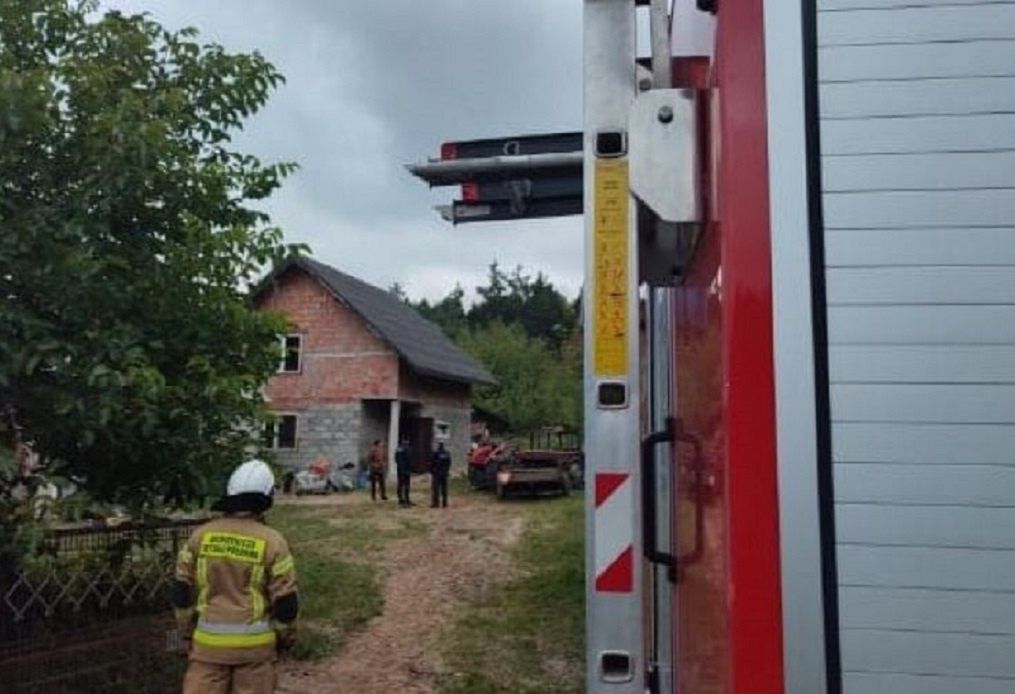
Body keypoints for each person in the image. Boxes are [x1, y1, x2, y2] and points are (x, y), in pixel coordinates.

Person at [171, 459, 298, 694]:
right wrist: (284, 638)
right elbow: (286, 604)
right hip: (255, 651)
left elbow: (181, 591)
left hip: (207, 648)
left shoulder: (200, 536)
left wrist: (186, 632)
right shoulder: (273, 542)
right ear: (267, 497)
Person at [430, 442, 451, 509]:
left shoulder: (436, 453)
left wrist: (432, 471)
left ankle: (436, 503)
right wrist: (447, 471)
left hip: (437, 473)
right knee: (444, 489)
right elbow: (449, 463)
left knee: (436, 489)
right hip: (444, 473)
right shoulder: (447, 454)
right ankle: (444, 503)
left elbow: (432, 463)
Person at [395, 437, 413, 506]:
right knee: (401, 485)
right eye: (405, 442)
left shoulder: (408, 449)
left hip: (407, 470)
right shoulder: (400, 449)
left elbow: (410, 459)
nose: (407, 443)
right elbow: (398, 460)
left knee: (407, 485)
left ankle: (407, 499)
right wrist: (402, 469)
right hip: (401, 470)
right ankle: (400, 500)